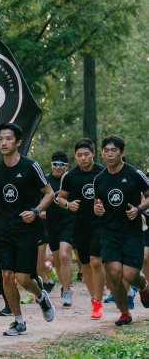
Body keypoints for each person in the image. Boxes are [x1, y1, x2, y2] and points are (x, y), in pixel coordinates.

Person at [0, 123, 55, 336]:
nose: (3, 142)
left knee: (23, 278)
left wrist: (36, 211)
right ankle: (19, 321)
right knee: (7, 276)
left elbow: (49, 193)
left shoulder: (30, 166)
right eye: (0, 138)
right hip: (3, 229)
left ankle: (41, 296)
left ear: (18, 142)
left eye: (8, 139)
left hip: (28, 229)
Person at [93, 135, 149, 325]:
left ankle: (143, 286)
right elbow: (98, 202)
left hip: (132, 232)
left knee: (130, 275)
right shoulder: (99, 179)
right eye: (106, 150)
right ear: (102, 152)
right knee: (114, 274)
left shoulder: (134, 173)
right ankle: (125, 313)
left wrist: (139, 209)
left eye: (114, 150)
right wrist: (97, 208)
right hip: (109, 232)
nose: (109, 154)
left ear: (122, 153)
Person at [58, 138, 105, 319]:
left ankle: (99, 301)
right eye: (79, 155)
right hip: (79, 225)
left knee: (96, 261)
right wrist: (68, 205)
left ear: (93, 153)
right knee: (84, 263)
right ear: (75, 156)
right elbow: (61, 198)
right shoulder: (70, 176)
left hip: (100, 224)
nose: (83, 158)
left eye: (86, 154)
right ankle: (94, 299)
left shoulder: (102, 172)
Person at [44, 151, 75, 306]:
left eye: (61, 164)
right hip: (51, 224)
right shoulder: (46, 181)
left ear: (66, 166)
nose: (57, 167)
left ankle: (68, 291)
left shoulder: (70, 179)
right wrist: (40, 211)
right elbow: (40, 199)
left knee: (64, 255)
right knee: (56, 260)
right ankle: (64, 287)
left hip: (69, 223)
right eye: (55, 164)